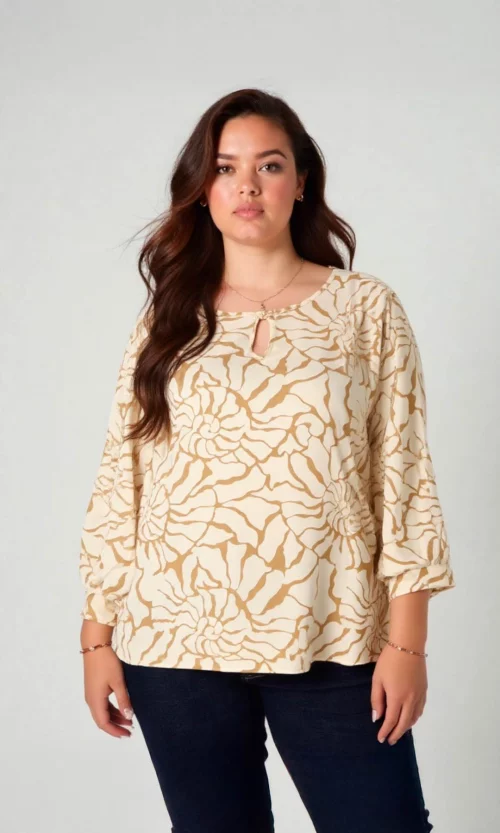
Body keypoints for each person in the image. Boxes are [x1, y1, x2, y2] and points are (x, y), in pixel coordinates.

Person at [78, 88, 455, 833]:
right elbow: (123, 482)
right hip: (174, 642)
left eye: (269, 165)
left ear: (301, 181)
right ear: (203, 188)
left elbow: (405, 480)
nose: (247, 185)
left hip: (334, 636)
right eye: (225, 168)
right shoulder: (167, 320)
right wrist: (97, 637)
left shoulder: (365, 309)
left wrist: (407, 643)